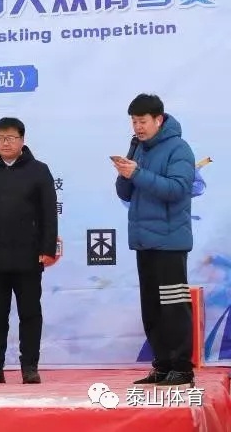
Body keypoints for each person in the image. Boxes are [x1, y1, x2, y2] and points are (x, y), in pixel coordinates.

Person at [0, 118, 58, 385]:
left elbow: (49, 214)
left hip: (28, 256)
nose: (5, 143)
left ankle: (29, 366)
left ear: (22, 140)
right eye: (0, 138)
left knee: (30, 313)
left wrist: (47, 249)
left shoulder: (39, 171)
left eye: (10, 138)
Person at [114, 94, 195, 387]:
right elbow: (125, 193)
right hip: (144, 241)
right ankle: (162, 366)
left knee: (173, 306)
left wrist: (138, 173)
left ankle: (182, 368)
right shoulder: (138, 148)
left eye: (142, 121)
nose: (138, 127)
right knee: (152, 308)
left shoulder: (179, 148)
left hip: (170, 243)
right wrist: (126, 174)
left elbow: (177, 189)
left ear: (158, 120)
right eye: (134, 122)